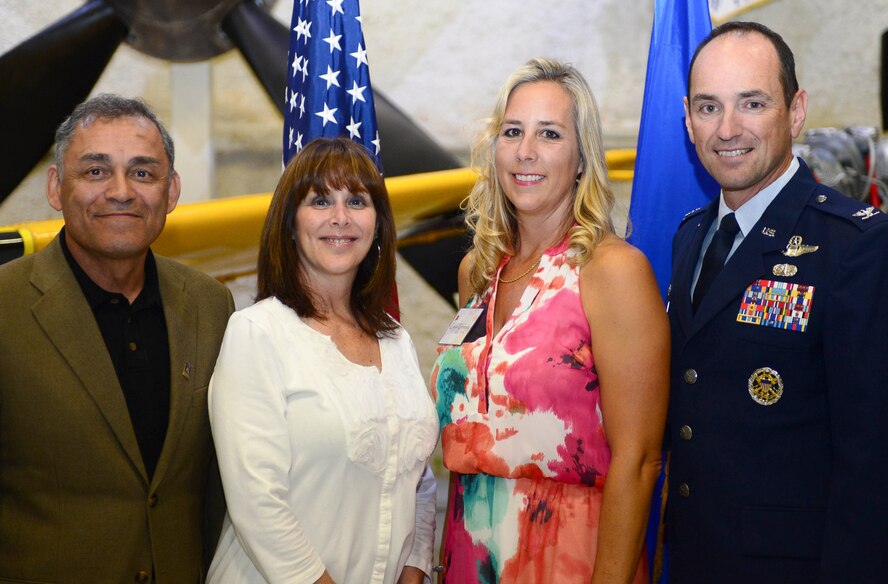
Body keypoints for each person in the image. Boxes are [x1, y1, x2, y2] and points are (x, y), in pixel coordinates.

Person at [431, 58, 670, 583]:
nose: (526, 152)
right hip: (468, 558)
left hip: (571, 558)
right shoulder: (477, 271)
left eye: (550, 134)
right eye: (512, 131)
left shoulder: (612, 272)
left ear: (582, 157)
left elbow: (641, 459)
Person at [667, 21, 888, 583]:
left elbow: (872, 462)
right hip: (696, 560)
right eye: (709, 107)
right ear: (689, 121)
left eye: (753, 103)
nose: (728, 129)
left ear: (795, 111)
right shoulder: (690, 237)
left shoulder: (856, 247)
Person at [0, 94, 234, 582]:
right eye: (95, 172)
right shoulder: (6, 306)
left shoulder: (211, 306)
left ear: (170, 193)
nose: (121, 191)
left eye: (143, 173)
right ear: (54, 186)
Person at [206, 137, 438, 584]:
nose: (340, 217)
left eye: (356, 200)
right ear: (290, 224)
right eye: (319, 200)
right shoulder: (258, 333)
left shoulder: (397, 340)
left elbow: (418, 477)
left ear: (377, 225)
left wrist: (414, 570)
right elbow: (258, 502)